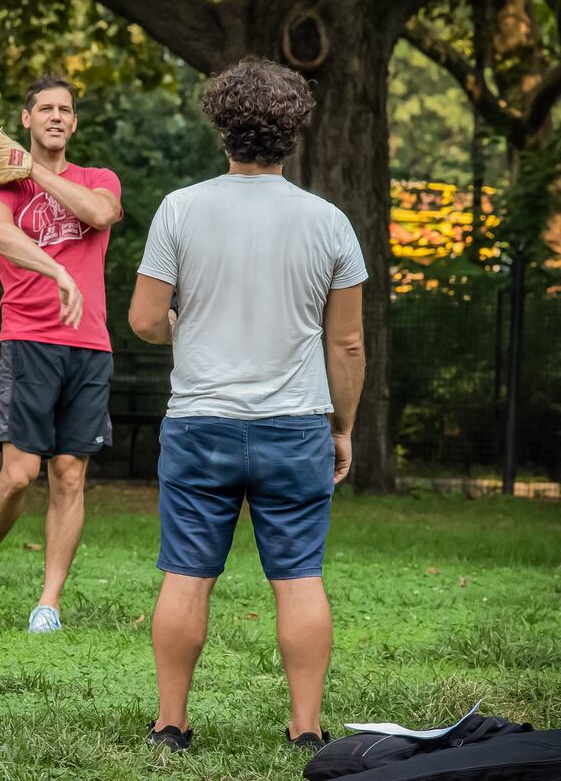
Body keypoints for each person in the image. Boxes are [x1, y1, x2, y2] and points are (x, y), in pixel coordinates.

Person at [129, 57, 367, 753]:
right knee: (298, 579)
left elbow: (145, 319)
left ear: (221, 125)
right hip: (295, 428)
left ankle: (171, 725)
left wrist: (182, 326)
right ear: (293, 129)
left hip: (199, 425)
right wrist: (343, 428)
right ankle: (305, 729)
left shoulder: (180, 209)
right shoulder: (329, 223)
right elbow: (347, 347)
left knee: (186, 574)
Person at [0, 76, 122, 634]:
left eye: (65, 110)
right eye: (45, 108)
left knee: (70, 476)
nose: (55, 116)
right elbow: (1, 236)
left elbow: (99, 214)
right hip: (29, 337)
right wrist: (56, 271)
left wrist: (34, 169)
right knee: (21, 473)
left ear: (73, 123)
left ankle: (47, 604)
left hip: (90, 344)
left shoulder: (98, 179)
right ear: (25, 120)